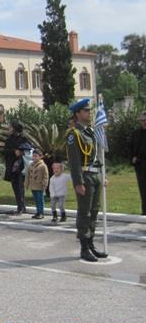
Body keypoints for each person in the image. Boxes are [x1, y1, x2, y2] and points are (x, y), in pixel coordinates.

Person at [66, 98, 107, 262]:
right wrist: (78, 182)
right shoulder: (73, 134)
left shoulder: (90, 132)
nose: (89, 113)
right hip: (85, 176)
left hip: (95, 175)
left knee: (94, 211)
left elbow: (98, 155)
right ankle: (84, 247)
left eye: (90, 110)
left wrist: (103, 175)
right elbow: (74, 160)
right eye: (86, 111)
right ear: (77, 114)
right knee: (85, 212)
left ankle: (91, 244)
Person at [3, 121, 28, 213]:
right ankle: (20, 205)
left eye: (10, 127)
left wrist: (21, 152)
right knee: (15, 186)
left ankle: (22, 206)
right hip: (12, 167)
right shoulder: (9, 139)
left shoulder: (23, 138)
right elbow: (5, 151)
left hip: (21, 166)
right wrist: (14, 151)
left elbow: (28, 149)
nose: (9, 128)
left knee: (20, 186)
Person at [25, 149, 49, 219]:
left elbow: (45, 176)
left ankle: (41, 213)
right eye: (33, 156)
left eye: (36, 156)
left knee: (40, 200)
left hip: (39, 186)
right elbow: (27, 175)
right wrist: (26, 184)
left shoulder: (43, 165)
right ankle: (37, 212)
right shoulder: (31, 165)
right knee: (36, 200)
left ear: (40, 157)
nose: (34, 157)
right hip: (33, 186)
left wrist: (45, 184)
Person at [130, 110, 146, 215]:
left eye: (145, 120)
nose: (144, 122)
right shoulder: (136, 133)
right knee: (143, 190)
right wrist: (132, 158)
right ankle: (144, 212)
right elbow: (130, 147)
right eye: (142, 120)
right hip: (141, 165)